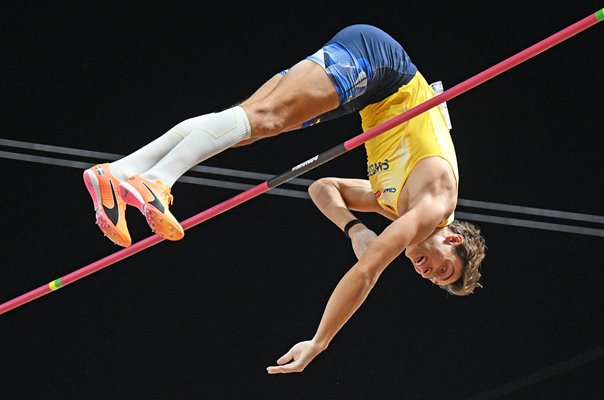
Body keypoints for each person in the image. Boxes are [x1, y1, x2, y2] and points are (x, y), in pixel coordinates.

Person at [82, 24, 486, 373]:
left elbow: (322, 188)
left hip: (370, 84)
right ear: (452, 240)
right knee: (266, 117)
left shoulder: (392, 204)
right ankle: (157, 179)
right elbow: (367, 272)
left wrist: (354, 228)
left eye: (433, 279)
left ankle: (117, 174)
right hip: (383, 68)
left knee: (249, 122)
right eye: (443, 269)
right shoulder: (434, 205)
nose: (427, 273)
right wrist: (320, 341)